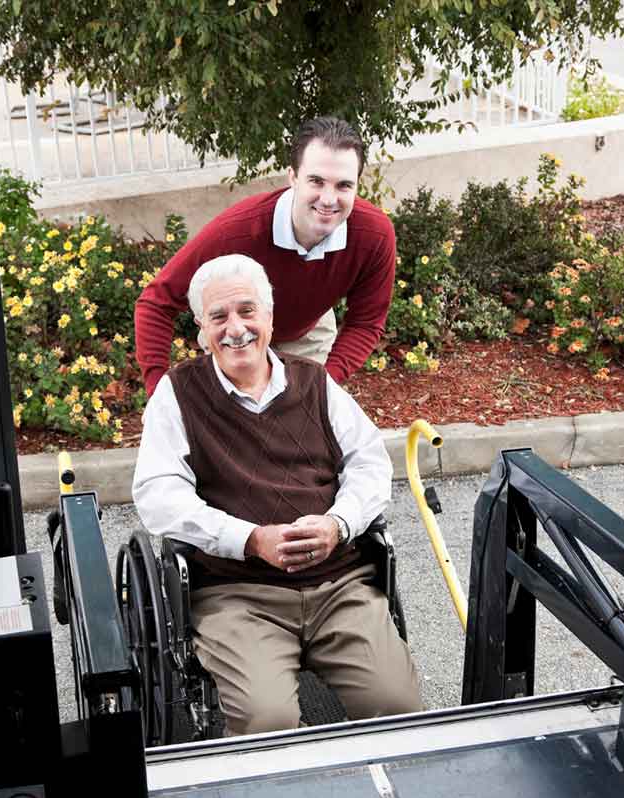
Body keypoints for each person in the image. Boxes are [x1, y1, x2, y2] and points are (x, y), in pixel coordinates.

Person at [132, 253, 422, 736]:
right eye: (218, 317)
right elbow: (159, 496)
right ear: (201, 329)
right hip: (238, 594)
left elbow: (370, 462)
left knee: (399, 708)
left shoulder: (314, 383)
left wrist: (339, 524)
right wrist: (248, 538)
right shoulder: (177, 395)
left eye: (247, 311)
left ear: (269, 316)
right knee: (269, 724)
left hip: (339, 586)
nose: (235, 328)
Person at [134, 116, 397, 398]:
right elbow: (156, 302)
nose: (329, 199)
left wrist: (324, 385)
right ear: (293, 177)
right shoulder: (237, 233)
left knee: (302, 423)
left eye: (343, 185)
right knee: (237, 426)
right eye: (316, 181)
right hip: (236, 331)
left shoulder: (374, 235)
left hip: (307, 334)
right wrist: (160, 395)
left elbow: (365, 322)